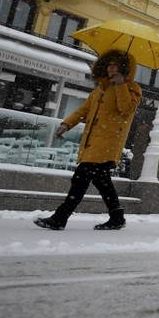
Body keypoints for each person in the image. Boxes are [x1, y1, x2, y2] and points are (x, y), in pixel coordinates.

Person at [34, 50, 142, 231]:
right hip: (92, 142)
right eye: (109, 64)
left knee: (80, 178)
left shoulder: (132, 89)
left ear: (124, 68)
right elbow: (84, 110)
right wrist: (66, 124)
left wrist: (121, 85)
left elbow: (126, 109)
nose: (111, 68)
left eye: (115, 65)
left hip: (108, 143)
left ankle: (60, 218)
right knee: (102, 181)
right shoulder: (100, 88)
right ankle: (117, 217)